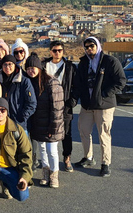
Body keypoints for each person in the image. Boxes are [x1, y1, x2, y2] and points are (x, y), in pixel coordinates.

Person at [74, 37, 126, 177]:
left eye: (91, 46)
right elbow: (79, 84)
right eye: (86, 47)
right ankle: (88, 157)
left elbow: (121, 81)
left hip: (104, 105)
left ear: (97, 46)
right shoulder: (84, 63)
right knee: (83, 130)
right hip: (87, 104)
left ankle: (105, 163)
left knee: (103, 134)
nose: (89, 49)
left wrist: (104, 94)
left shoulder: (110, 61)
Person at [26, 53, 65, 188]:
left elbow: (57, 108)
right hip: (38, 124)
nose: (31, 70)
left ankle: (54, 175)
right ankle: (45, 173)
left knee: (51, 149)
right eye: (28, 68)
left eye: (33, 67)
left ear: (40, 68)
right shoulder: (30, 83)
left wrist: (53, 127)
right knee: (42, 148)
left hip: (51, 124)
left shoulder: (51, 82)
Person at [42, 40, 77, 172]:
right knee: (47, 132)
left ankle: (67, 158)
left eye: (60, 50)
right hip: (47, 105)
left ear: (63, 51)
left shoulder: (70, 67)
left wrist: (72, 101)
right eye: (54, 50)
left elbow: (76, 86)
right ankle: (49, 161)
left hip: (65, 105)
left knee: (66, 133)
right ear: (50, 51)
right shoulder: (44, 65)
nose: (57, 53)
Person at [0, 55, 36, 132]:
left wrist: (22, 117)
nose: (7, 67)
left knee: (23, 144)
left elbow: (32, 103)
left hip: (20, 125)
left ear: (15, 65)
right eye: (5, 64)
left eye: (10, 64)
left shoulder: (24, 81)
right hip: (2, 122)